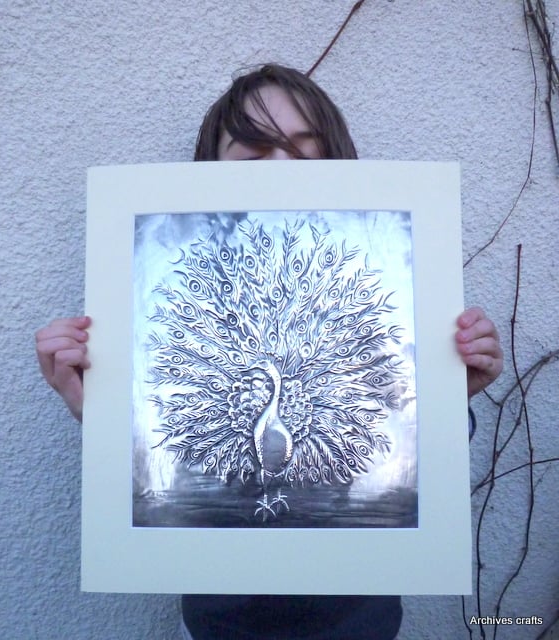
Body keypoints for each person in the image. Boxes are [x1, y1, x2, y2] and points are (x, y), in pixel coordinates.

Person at [35, 64, 503, 640]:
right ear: (208, 174)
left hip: (360, 622)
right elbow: (166, 478)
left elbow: (403, 465)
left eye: (304, 151)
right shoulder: (165, 293)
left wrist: (446, 393)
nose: (281, 169)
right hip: (219, 624)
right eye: (255, 151)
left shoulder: (387, 285)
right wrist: (104, 411)